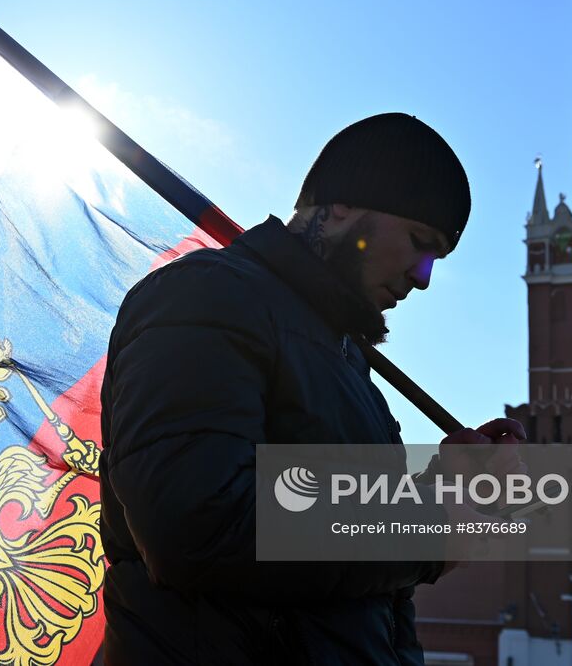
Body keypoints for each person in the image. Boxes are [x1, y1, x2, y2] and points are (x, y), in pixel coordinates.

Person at [99, 112, 524, 665]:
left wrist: (442, 486)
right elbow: (200, 525)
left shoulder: (348, 363)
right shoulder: (206, 296)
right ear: (343, 204)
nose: (423, 277)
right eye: (421, 243)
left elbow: (348, 579)